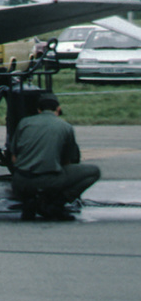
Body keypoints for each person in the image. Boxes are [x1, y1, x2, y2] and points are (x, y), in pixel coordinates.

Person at [9, 93, 100, 221]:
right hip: (47, 179)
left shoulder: (24, 123)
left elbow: (14, 157)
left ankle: (30, 199)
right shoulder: (65, 127)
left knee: (30, 178)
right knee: (93, 172)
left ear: (39, 110)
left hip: (20, 181)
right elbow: (68, 161)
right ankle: (54, 204)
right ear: (58, 109)